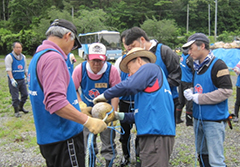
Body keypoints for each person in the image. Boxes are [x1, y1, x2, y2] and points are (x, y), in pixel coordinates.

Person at [27, 19, 107, 167]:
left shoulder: (38, 56)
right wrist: (87, 121)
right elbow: (55, 103)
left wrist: (77, 105)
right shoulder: (54, 58)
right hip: (64, 137)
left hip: (50, 136)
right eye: (74, 44)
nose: (73, 48)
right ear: (67, 35)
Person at [93, 47, 176, 167]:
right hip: (155, 134)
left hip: (156, 135)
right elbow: (141, 115)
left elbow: (129, 85)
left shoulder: (151, 68)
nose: (129, 74)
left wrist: (105, 95)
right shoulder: (150, 84)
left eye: (129, 69)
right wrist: (118, 115)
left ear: (138, 60)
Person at [183, 33, 232, 167]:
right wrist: (192, 91)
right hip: (199, 118)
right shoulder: (196, 66)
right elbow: (203, 86)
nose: (189, 52)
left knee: (216, 160)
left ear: (202, 46)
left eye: (191, 48)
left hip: (214, 120)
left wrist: (200, 98)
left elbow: (226, 91)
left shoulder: (218, 65)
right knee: (202, 155)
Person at [72, 42, 120, 166]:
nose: (96, 64)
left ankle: (109, 163)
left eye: (100, 61)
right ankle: (90, 163)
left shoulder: (111, 70)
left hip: (106, 113)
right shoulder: (80, 69)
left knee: (108, 142)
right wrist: (81, 104)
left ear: (105, 59)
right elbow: (73, 89)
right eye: (93, 60)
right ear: (87, 58)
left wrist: (113, 112)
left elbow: (116, 92)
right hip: (87, 112)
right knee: (88, 142)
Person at [124, 27, 181, 124]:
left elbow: (177, 75)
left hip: (165, 100)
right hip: (144, 100)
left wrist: (155, 86)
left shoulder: (164, 51)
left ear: (142, 40)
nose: (133, 49)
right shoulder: (136, 56)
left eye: (134, 45)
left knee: (162, 132)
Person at [114, 29, 139, 167]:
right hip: (124, 101)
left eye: (130, 43)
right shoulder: (119, 61)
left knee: (141, 130)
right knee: (125, 132)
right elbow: (116, 83)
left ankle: (140, 156)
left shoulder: (143, 60)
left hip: (139, 101)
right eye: (125, 43)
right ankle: (125, 156)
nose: (128, 46)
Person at [5, 42, 29, 118]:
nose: (19, 49)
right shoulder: (9, 57)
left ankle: (20, 107)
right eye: (17, 47)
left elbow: (25, 69)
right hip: (14, 80)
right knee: (15, 97)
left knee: (25, 94)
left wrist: (28, 77)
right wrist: (12, 79)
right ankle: (16, 111)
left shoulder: (23, 57)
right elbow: (8, 69)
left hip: (22, 79)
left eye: (20, 47)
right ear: (13, 48)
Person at [176, 48, 194, 126]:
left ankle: (177, 118)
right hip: (188, 82)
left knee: (181, 100)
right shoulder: (190, 58)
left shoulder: (183, 55)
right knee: (189, 102)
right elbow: (194, 70)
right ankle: (189, 121)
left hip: (182, 80)